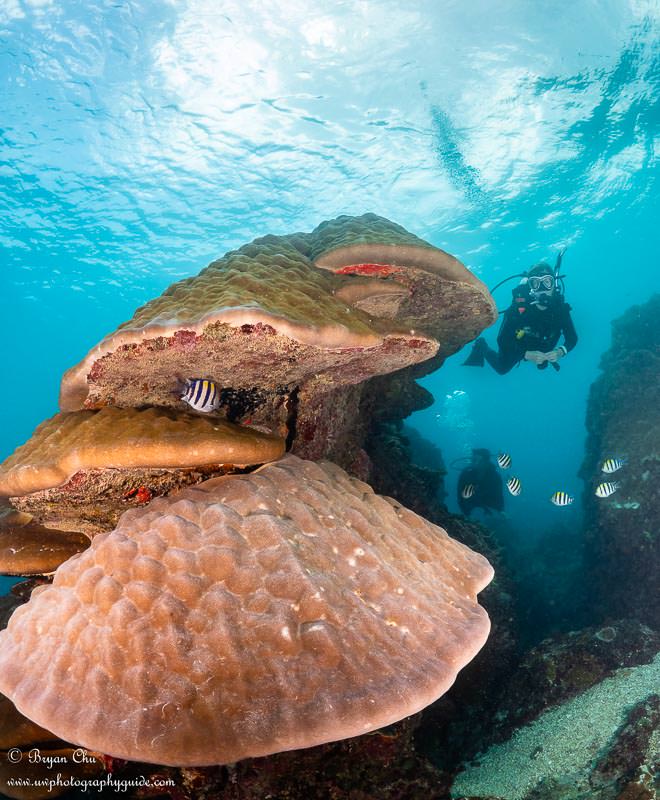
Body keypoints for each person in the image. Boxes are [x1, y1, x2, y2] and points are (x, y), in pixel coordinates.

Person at [463, 262, 578, 374]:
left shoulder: (560, 310)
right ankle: (482, 346)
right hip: (518, 346)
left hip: (542, 344)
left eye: (547, 282)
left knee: (543, 361)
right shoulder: (518, 309)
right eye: (535, 283)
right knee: (502, 369)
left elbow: (572, 338)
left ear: (554, 285)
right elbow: (502, 340)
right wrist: (525, 354)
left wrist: (560, 352)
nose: (542, 288)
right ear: (530, 287)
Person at [457, 448, 504, 516]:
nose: (473, 462)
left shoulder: (495, 477)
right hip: (471, 503)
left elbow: (499, 496)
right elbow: (460, 497)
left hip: (489, 504)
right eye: (472, 459)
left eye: (476, 460)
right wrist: (466, 514)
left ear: (486, 461)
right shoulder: (465, 474)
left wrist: (501, 511)